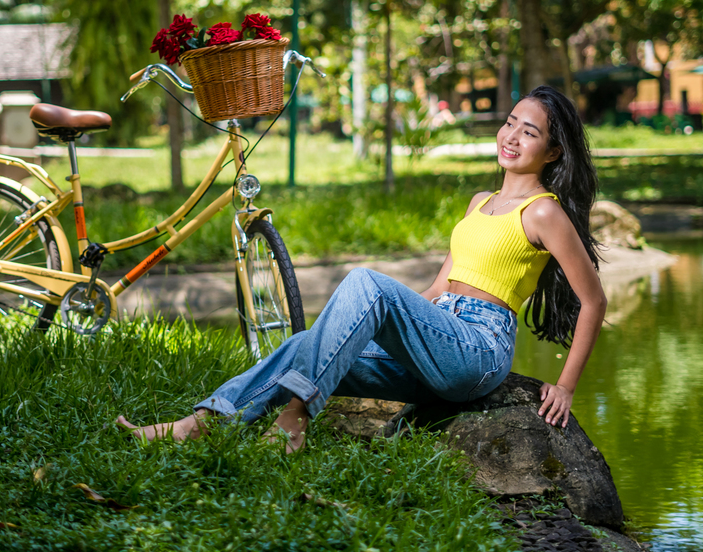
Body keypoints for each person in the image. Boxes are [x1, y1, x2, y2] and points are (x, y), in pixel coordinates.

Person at [117, 86, 608, 452]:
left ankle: (295, 417)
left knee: (366, 282)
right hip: (440, 342)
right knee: (303, 345)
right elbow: (439, 288)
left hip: (478, 349)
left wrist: (564, 386)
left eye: (530, 132)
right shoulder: (480, 202)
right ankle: (199, 424)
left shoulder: (543, 211)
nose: (512, 137)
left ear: (554, 150)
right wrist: (390, 324)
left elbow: (594, 301)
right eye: (510, 122)